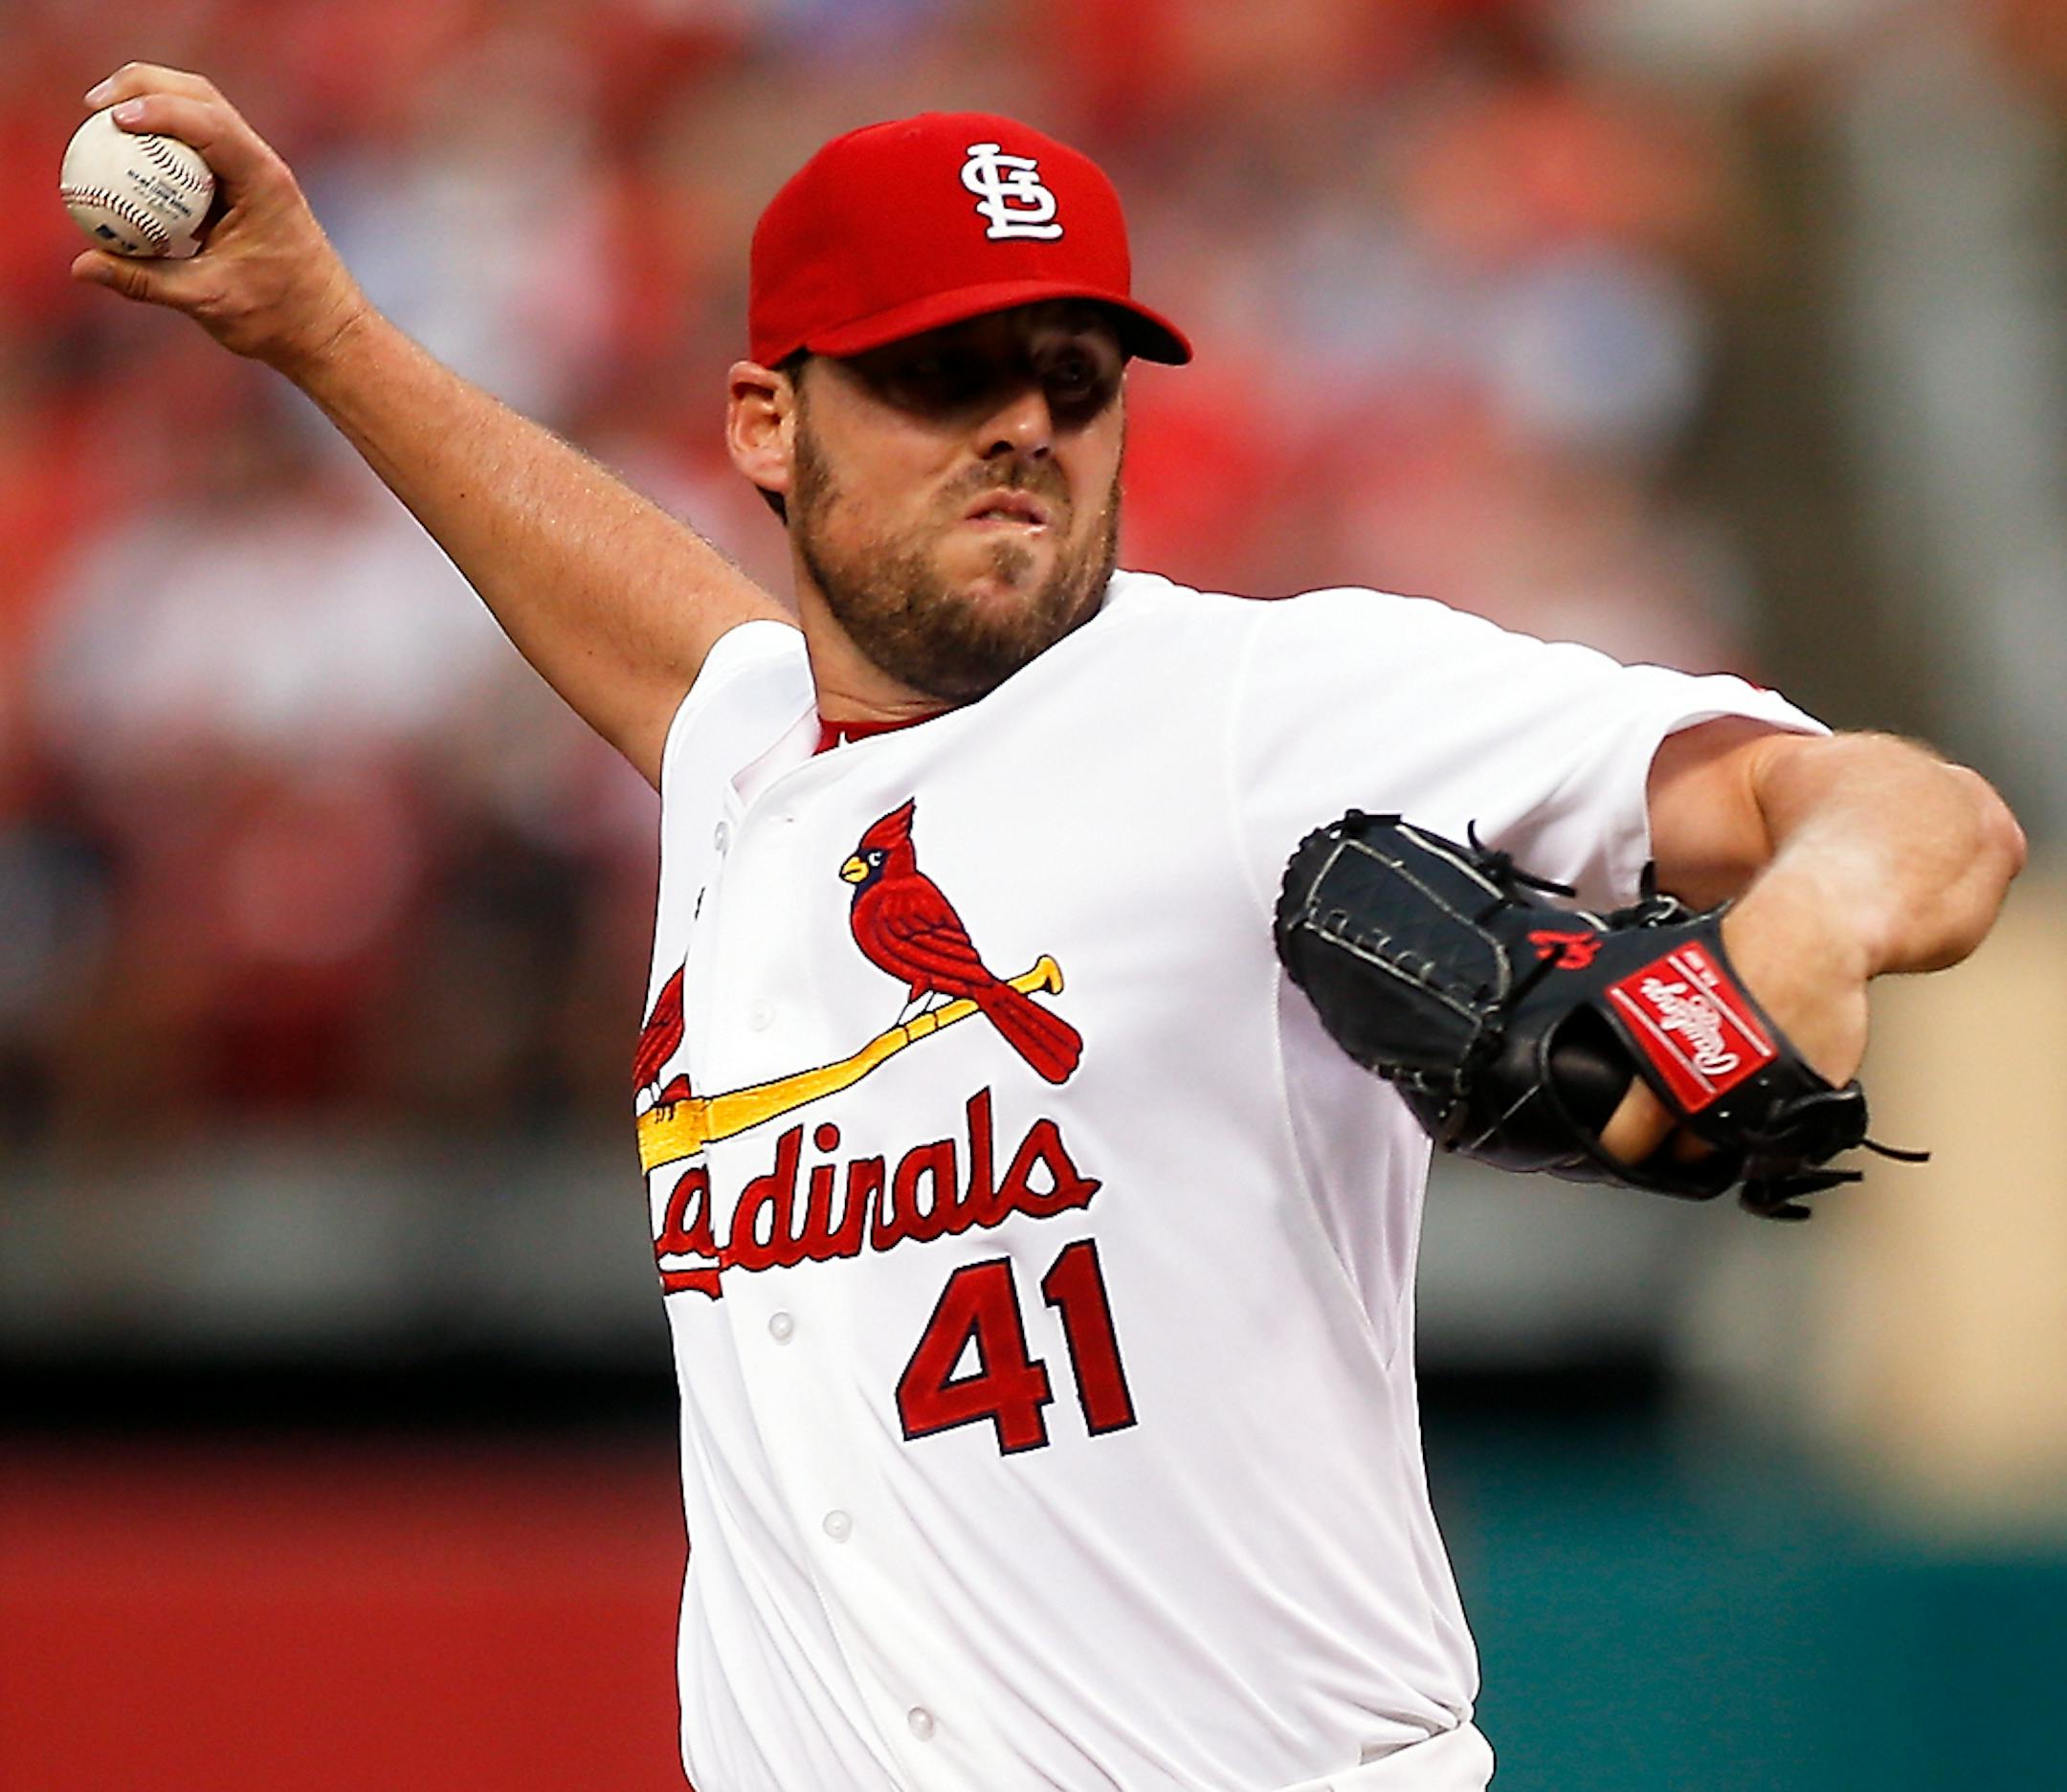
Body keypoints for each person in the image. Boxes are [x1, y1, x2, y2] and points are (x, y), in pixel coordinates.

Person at [73, 66, 2024, 1792]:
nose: (1020, 423)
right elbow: (640, 606)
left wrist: (1800, 939)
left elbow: (1910, 811)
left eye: (1072, 378)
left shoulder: (1271, 707)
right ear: (769, 417)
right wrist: (320, 326)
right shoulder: (751, 746)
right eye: (939, 374)